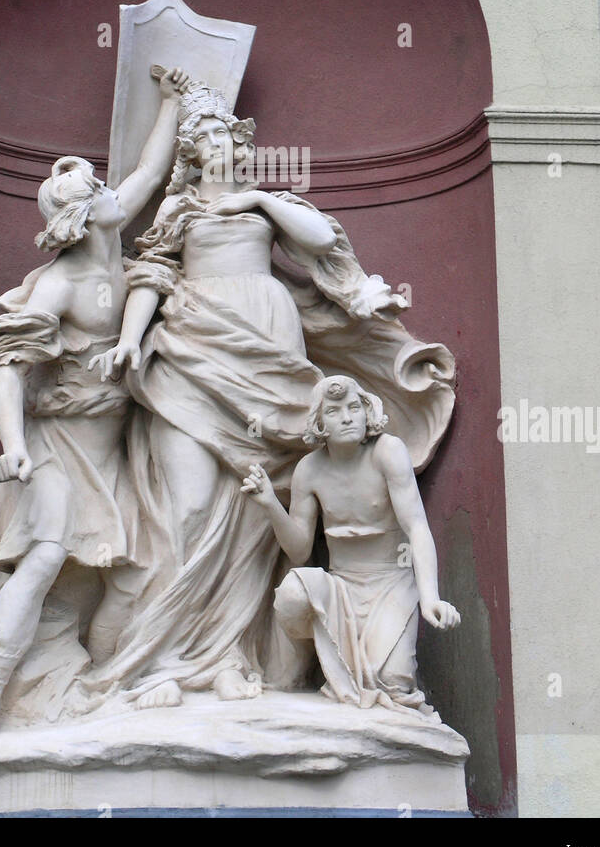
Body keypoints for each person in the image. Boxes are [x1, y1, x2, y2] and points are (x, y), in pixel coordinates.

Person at [88, 77, 455, 710]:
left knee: (256, 512)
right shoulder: (179, 212)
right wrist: (127, 338)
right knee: (193, 509)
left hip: (267, 347)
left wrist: (255, 198)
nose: (219, 144)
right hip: (190, 351)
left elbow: (320, 241)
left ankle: (229, 654)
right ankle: (163, 659)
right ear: (192, 154)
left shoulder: (265, 205)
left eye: (226, 134)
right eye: (205, 137)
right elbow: (149, 272)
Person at [0, 67, 189, 751]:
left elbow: (148, 168)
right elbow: (6, 367)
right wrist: (12, 444)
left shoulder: (116, 239)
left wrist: (170, 101)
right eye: (96, 192)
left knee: (141, 573)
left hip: (117, 447)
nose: (112, 192)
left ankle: (112, 682)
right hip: (57, 445)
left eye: (105, 188)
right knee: (44, 557)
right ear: (81, 217)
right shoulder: (60, 284)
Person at [241, 374, 460, 713]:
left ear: (366, 411)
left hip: (391, 583)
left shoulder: (387, 452)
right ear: (319, 424)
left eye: (354, 408)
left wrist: (430, 596)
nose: (347, 417)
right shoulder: (309, 470)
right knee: (293, 592)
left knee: (394, 684)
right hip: (342, 587)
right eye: (334, 411)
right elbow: (299, 551)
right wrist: (271, 504)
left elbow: (417, 526)